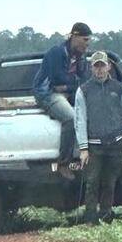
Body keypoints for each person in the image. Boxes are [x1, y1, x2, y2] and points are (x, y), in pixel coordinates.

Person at [74, 51, 122, 224]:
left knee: (110, 182)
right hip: (94, 145)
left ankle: (106, 216)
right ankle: (90, 218)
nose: (99, 69)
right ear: (92, 68)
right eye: (96, 66)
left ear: (108, 66)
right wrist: (83, 148)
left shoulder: (119, 88)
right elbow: (80, 120)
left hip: (115, 143)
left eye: (102, 65)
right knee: (92, 182)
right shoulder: (83, 91)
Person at [33, 22, 91, 180]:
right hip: (47, 93)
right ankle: (63, 163)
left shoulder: (81, 56)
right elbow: (56, 79)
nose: (87, 44)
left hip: (68, 92)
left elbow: (84, 80)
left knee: (92, 110)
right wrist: (70, 84)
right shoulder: (56, 52)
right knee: (71, 118)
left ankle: (94, 156)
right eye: (85, 40)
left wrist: (68, 86)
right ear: (75, 36)